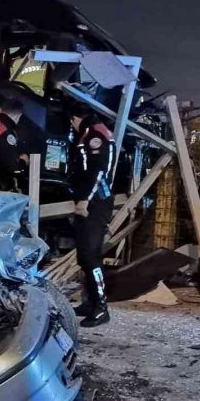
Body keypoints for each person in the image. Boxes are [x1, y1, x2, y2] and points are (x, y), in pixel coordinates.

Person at [66, 103, 116, 328]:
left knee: (91, 256)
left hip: (95, 203)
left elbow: (97, 171)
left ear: (76, 118)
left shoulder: (95, 135)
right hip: (92, 200)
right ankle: (90, 302)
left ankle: (101, 307)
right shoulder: (93, 131)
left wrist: (85, 199)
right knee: (84, 256)